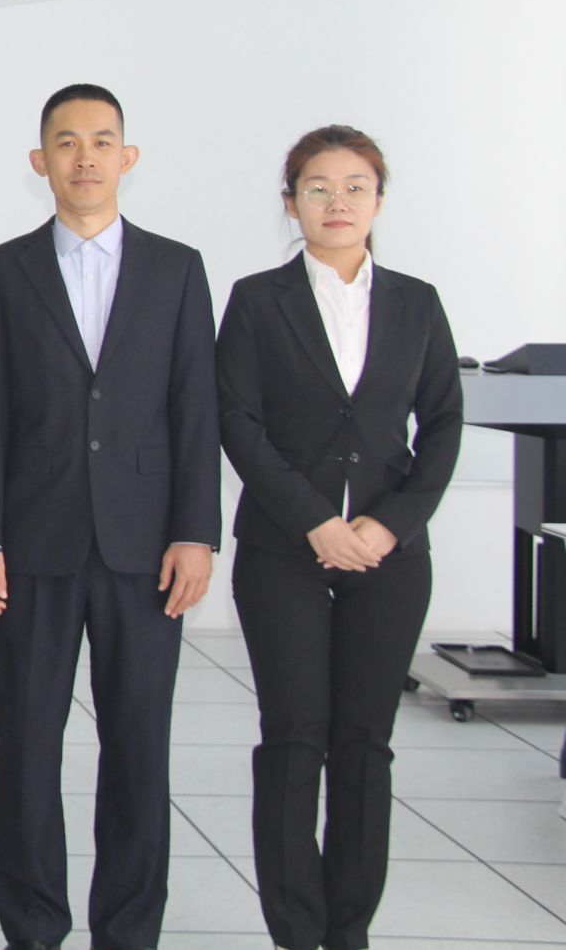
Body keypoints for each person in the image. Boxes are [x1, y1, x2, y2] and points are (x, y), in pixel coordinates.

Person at [0, 83, 221, 950]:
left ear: (127, 157)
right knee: (27, 745)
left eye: (102, 141)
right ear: (40, 161)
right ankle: (33, 926)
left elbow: (196, 408)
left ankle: (129, 929)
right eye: (66, 142)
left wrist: (196, 531)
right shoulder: (1, 270)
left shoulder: (177, 268)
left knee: (139, 746)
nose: (85, 157)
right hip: (32, 542)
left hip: (147, 546)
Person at [216, 126, 461, 950]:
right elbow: (238, 421)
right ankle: (296, 929)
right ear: (291, 204)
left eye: (355, 186)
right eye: (317, 188)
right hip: (284, 550)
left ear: (379, 200)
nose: (337, 202)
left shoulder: (417, 302)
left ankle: (348, 929)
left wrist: (389, 522)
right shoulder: (257, 300)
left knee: (364, 744)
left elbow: (445, 423)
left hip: (389, 555)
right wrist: (316, 519)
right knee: (294, 738)